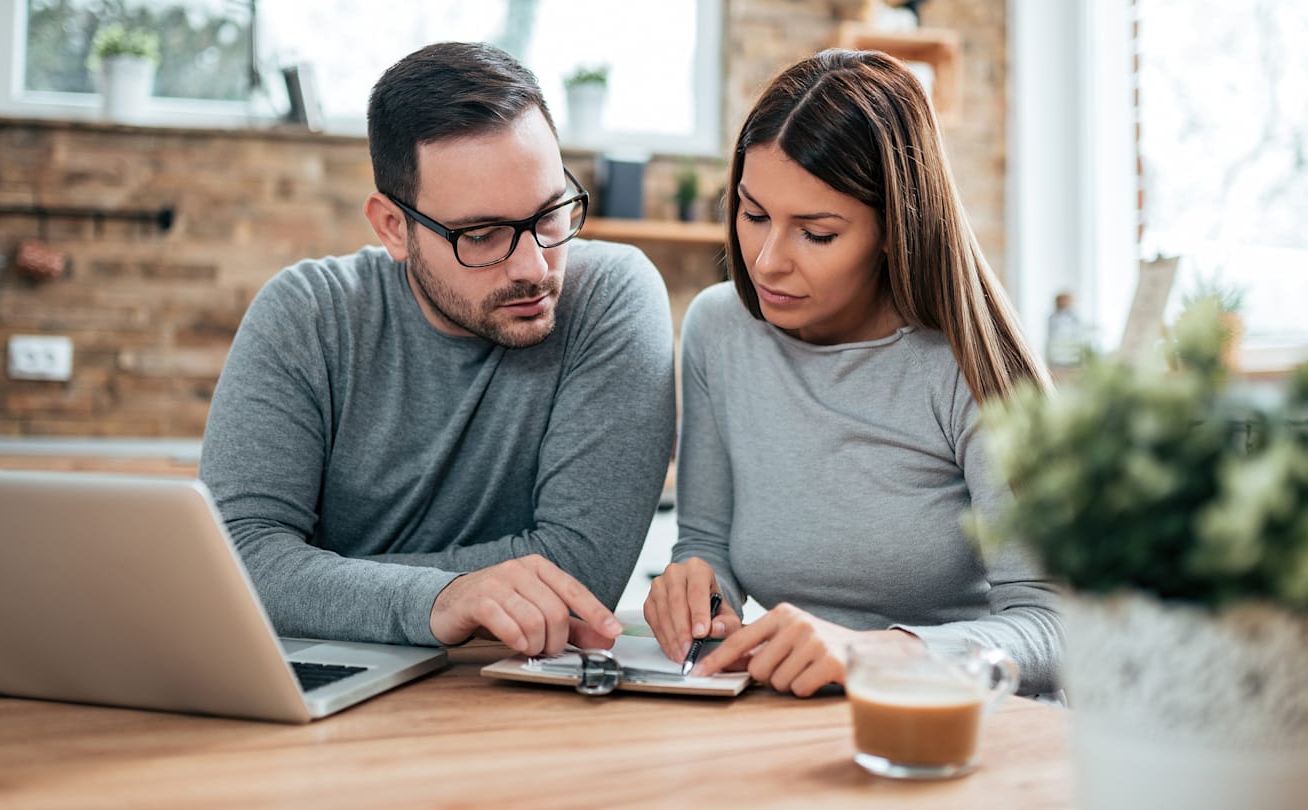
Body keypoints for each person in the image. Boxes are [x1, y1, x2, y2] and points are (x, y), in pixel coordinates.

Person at [199, 42, 676, 658]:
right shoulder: (309, 315)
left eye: (552, 213)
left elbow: (580, 573)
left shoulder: (611, 297)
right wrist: (440, 598)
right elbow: (237, 561)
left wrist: (320, 579)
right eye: (481, 235)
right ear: (394, 228)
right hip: (319, 683)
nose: (534, 267)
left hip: (511, 695)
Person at [643, 49, 1061, 696]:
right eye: (753, 215)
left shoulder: (974, 367)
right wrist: (698, 591)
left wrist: (874, 654)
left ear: (896, 229)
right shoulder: (718, 332)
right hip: (797, 724)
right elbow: (706, 545)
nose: (767, 261)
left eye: (816, 233)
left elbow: (1053, 627)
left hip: (957, 733)